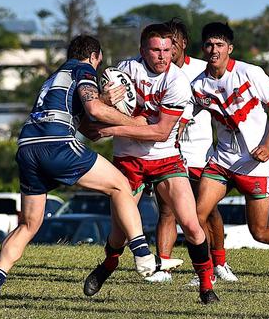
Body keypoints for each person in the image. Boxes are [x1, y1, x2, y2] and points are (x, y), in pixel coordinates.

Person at [0, 34, 183, 305]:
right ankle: (144, 256)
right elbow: (94, 108)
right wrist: (136, 123)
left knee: (29, 224)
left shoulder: (54, 76)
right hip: (56, 143)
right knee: (121, 185)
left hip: (27, 145)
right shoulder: (83, 68)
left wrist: (107, 104)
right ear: (95, 56)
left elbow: (87, 117)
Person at [83, 24, 218, 305]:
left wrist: (113, 130)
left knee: (192, 225)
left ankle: (206, 287)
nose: (162, 56)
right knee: (119, 234)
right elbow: (103, 111)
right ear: (143, 50)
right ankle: (107, 266)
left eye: (167, 50)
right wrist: (107, 103)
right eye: (156, 50)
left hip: (165, 159)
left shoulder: (178, 82)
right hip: (128, 161)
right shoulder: (124, 70)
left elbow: (160, 132)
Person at [191, 22, 269, 297]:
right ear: (203, 48)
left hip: (255, 163)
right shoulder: (198, 84)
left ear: (229, 49)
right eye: (209, 44)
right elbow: (182, 115)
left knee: (259, 231)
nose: (214, 50)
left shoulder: (249, 72)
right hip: (222, 161)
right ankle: (208, 274)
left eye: (220, 45)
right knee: (197, 215)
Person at [146, 19, 238, 284]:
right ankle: (163, 268)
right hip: (167, 151)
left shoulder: (201, 70)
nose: (167, 50)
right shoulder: (155, 73)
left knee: (206, 210)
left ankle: (219, 263)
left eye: (172, 43)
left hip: (200, 152)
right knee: (167, 210)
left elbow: (228, 103)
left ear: (183, 43)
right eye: (163, 45)